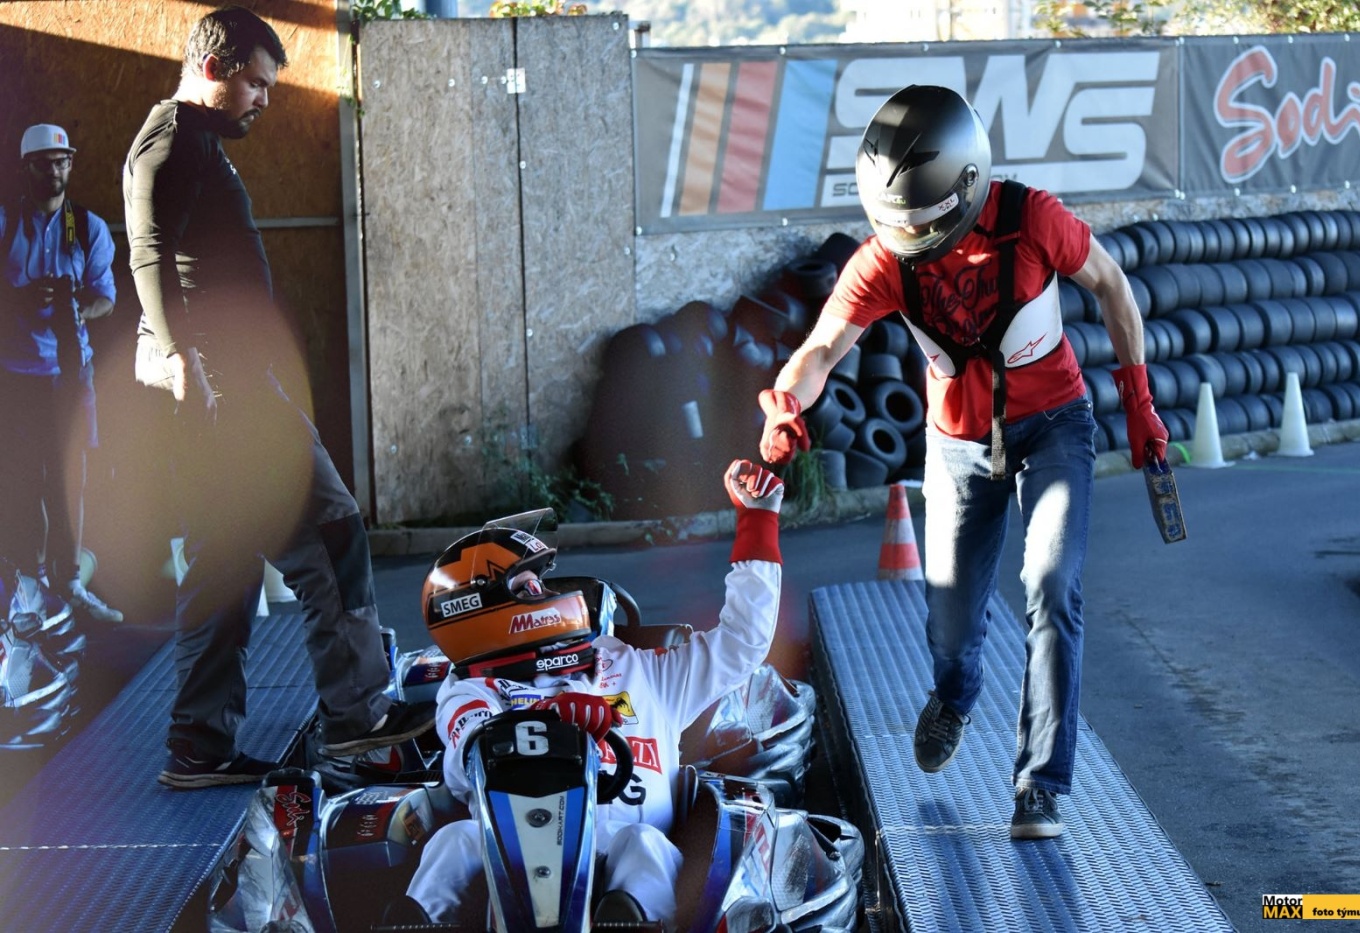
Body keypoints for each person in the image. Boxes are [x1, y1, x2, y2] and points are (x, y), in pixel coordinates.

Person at [757, 85, 1167, 840]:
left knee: (1053, 587)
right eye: (899, 223)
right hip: (957, 448)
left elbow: (1112, 285)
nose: (912, 237)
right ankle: (955, 693)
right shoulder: (884, 260)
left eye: (924, 221)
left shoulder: (1032, 220)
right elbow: (822, 347)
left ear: (967, 185)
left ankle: (1040, 784)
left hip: (1054, 427)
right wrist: (786, 403)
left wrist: (1138, 401)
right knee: (950, 629)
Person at [122, 5, 432, 789]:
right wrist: (180, 356)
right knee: (332, 532)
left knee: (225, 566)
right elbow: (148, 251)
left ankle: (199, 743)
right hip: (222, 386)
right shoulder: (171, 143)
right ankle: (358, 716)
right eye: (257, 84)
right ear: (214, 68)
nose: (263, 99)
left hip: (223, 383)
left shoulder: (193, 141)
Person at [398, 459, 784, 927]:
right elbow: (469, 752)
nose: (546, 591)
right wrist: (550, 719)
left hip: (622, 854)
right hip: (511, 871)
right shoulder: (470, 690)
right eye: (528, 586)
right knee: (453, 840)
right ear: (478, 610)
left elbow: (743, 642)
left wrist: (758, 521)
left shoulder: (642, 669)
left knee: (644, 845)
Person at [0, 123, 123, 624]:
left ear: (70, 164)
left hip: (71, 373)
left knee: (70, 477)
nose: (54, 171)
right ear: (25, 168)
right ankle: (29, 589)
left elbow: (106, 298)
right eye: (43, 163)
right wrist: (19, 299)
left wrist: (76, 308)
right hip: (16, 374)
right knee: (23, 477)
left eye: (61, 161)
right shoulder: (6, 224)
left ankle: (69, 583)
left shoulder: (87, 227)